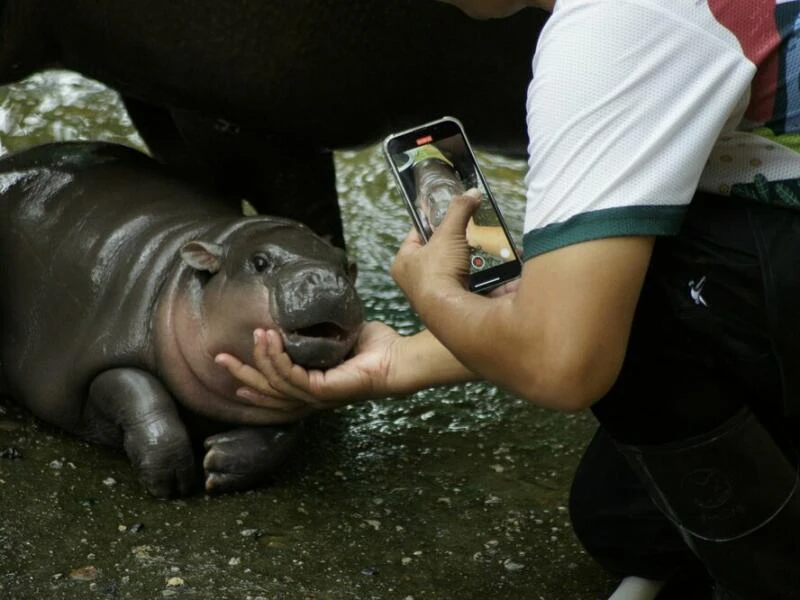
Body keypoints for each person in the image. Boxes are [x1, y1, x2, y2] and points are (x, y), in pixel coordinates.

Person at [215, 1, 800, 598]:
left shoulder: (610, 32)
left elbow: (561, 362)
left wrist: (434, 294)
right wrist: (401, 361)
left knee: (649, 273)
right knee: (625, 521)